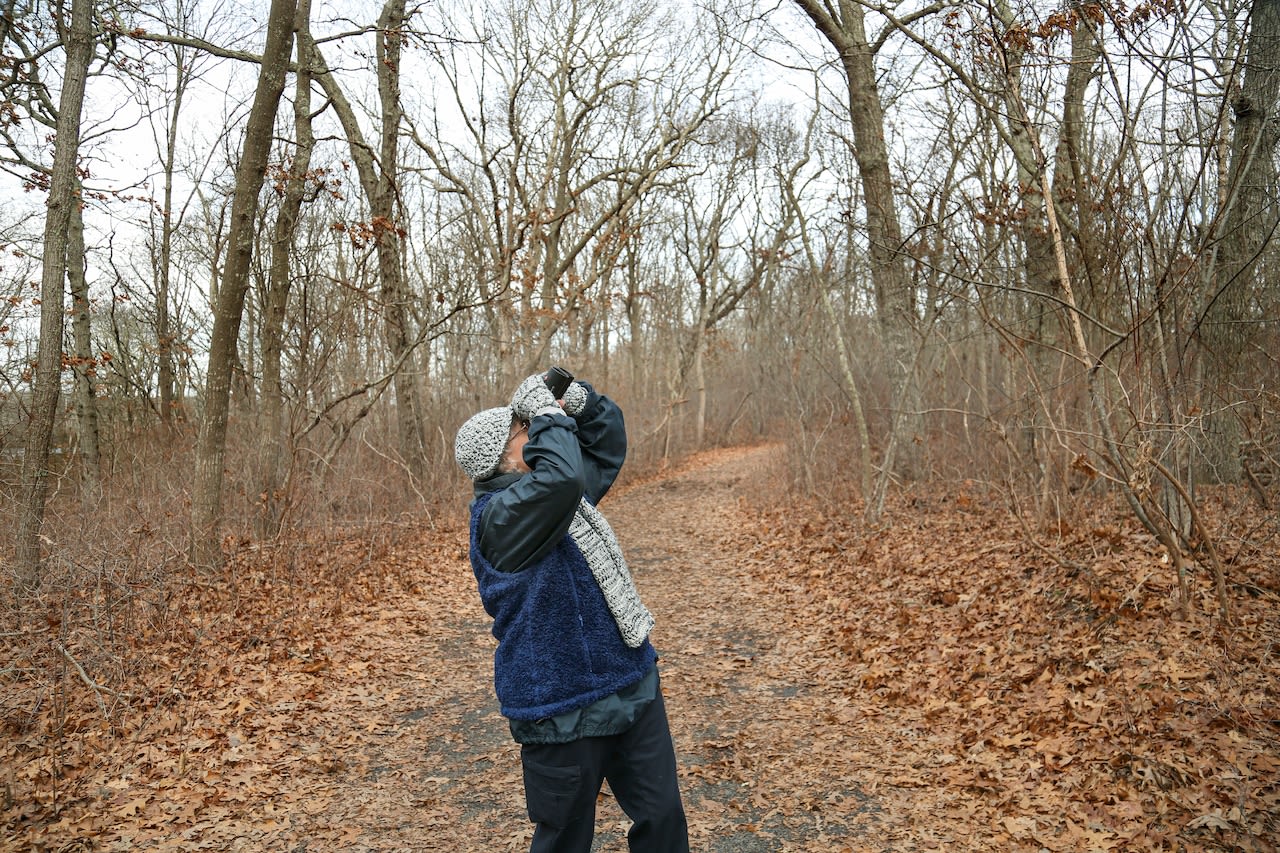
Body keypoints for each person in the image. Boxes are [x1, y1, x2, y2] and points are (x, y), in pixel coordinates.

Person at [453, 372, 690, 853]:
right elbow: (564, 477)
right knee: (566, 839)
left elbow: (604, 447)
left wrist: (572, 399)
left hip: (628, 682)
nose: (538, 432)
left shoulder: (558, 496)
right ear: (503, 457)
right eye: (527, 429)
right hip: (560, 705)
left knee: (662, 819)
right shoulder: (499, 518)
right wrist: (544, 414)